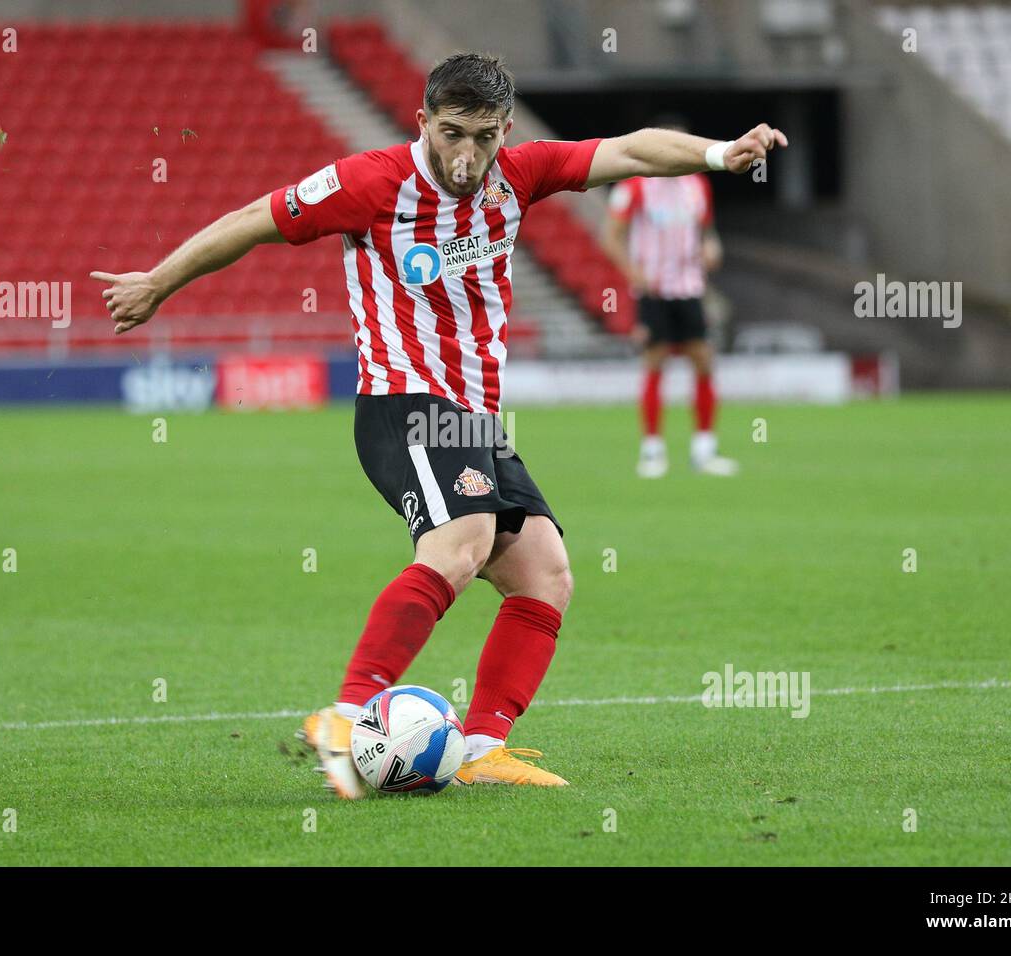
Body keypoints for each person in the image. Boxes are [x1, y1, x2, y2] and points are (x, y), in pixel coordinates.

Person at [91, 53, 786, 798]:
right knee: (464, 541)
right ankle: (348, 714)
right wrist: (158, 283)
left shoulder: (519, 175)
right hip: (403, 403)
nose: (466, 155)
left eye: (483, 137)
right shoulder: (370, 184)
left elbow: (630, 150)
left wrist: (719, 154)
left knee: (545, 573)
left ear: (504, 131)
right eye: (451, 133)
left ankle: (483, 748)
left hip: (474, 421)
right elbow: (253, 222)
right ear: (422, 121)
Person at [600, 114, 738, 478]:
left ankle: (704, 449)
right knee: (655, 360)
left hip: (689, 288)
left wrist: (712, 247)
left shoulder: (698, 186)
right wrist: (633, 273)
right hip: (654, 290)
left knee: (703, 360)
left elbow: (707, 231)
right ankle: (652, 450)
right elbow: (611, 235)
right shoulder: (635, 186)